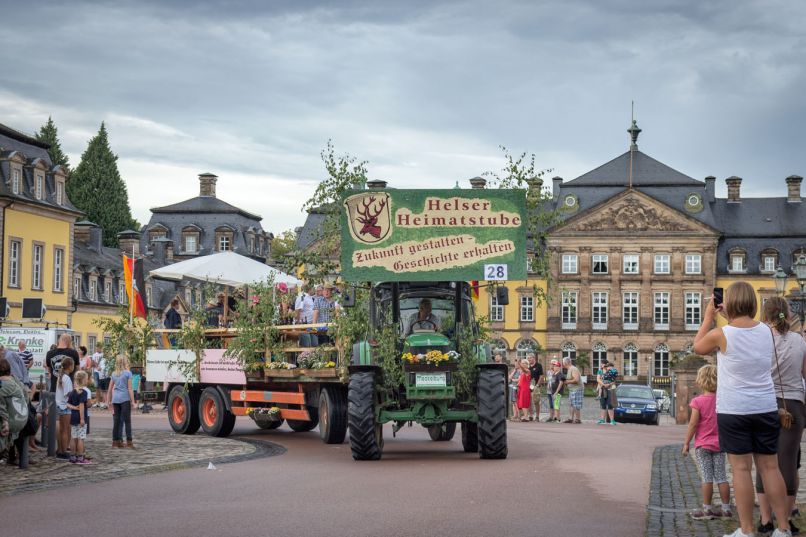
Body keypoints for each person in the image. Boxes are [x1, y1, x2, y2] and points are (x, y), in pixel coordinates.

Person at [693, 281, 791, 537]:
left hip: (735, 409)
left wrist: (708, 318)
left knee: (741, 469)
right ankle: (783, 528)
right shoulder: (767, 331)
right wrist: (730, 318)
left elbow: (698, 346)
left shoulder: (721, 334)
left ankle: (747, 530)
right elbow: (747, 330)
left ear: (731, 303)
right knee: (770, 468)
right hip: (765, 406)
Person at [756, 297, 806, 535]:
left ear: (766, 315)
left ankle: (766, 520)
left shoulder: (760, 339)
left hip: (763, 403)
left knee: (764, 462)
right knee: (788, 463)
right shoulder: (799, 340)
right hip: (793, 403)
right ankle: (785, 521)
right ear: (788, 313)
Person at [682, 364, 732, 520]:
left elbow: (693, 424)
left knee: (707, 477)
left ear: (700, 381)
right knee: (722, 477)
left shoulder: (698, 402)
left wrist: (686, 443)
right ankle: (726, 509)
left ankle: (707, 509)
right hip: (720, 445)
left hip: (703, 446)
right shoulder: (723, 400)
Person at [0, 357, 29, 465]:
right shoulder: (16, 381)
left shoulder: (2, 385)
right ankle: (15, 456)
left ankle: (4, 452)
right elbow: (27, 398)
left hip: (11, 423)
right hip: (23, 419)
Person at [107, 355, 135, 449]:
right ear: (125, 362)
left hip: (115, 399)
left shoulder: (114, 374)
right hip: (125, 399)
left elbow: (110, 389)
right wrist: (133, 401)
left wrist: (108, 401)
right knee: (127, 421)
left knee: (116, 421)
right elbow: (130, 388)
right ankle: (129, 442)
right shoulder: (128, 373)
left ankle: (115, 442)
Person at [66, 370, 91, 465]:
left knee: (73, 437)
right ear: (84, 380)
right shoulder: (83, 392)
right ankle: (80, 457)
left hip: (73, 417)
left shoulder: (73, 392)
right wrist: (82, 418)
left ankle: (72, 456)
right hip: (80, 417)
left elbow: (67, 404)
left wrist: (73, 407)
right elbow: (81, 405)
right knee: (81, 438)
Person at [54, 356, 75, 460]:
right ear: (70, 366)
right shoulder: (67, 378)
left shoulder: (60, 376)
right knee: (65, 430)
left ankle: (60, 450)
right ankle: (63, 450)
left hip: (59, 404)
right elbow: (68, 394)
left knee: (62, 429)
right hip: (65, 406)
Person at [563, 357, 583, 424]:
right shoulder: (570, 369)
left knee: (576, 404)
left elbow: (576, 380)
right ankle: (570, 418)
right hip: (572, 389)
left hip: (577, 389)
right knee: (571, 404)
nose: (563, 365)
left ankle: (578, 419)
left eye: (563, 363)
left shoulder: (573, 369)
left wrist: (567, 382)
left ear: (565, 363)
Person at [597, 361, 617, 425]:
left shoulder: (612, 371)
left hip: (611, 388)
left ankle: (612, 420)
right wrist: (603, 384)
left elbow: (614, 380)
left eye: (602, 364)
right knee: (603, 404)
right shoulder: (600, 371)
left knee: (610, 404)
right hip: (602, 388)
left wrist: (609, 384)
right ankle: (602, 419)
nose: (601, 365)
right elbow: (598, 379)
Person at [92, 343, 108, 409]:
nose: (97, 349)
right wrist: (96, 366)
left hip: (102, 373)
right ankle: (97, 402)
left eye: (98, 348)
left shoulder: (103, 355)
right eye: (96, 348)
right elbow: (93, 362)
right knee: (97, 387)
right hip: (96, 372)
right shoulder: (94, 355)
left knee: (103, 388)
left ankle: (104, 402)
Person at [528, 354, 543, 421]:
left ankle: (537, 416)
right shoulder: (528, 367)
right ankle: (531, 415)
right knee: (529, 401)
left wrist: (537, 385)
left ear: (533, 358)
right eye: (528, 358)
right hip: (529, 386)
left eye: (530, 358)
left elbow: (541, 376)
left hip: (536, 386)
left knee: (536, 401)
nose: (529, 359)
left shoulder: (538, 365)